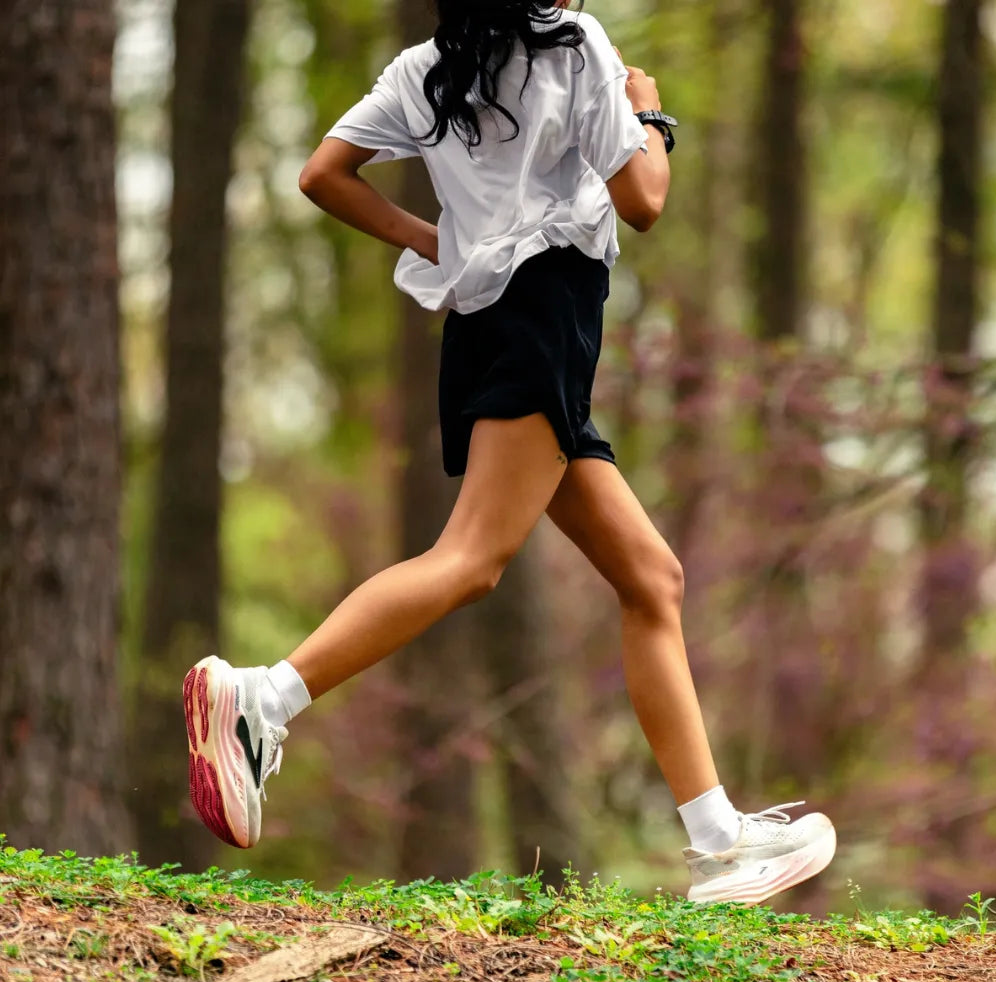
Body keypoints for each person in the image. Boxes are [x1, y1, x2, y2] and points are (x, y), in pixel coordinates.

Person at [183, 0, 836, 904]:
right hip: (547, 321)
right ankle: (264, 698)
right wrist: (648, 114)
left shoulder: (422, 68)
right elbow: (643, 201)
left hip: (490, 325)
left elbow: (323, 174)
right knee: (471, 559)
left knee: (652, 577)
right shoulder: (577, 47)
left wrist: (439, 243)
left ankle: (718, 839)